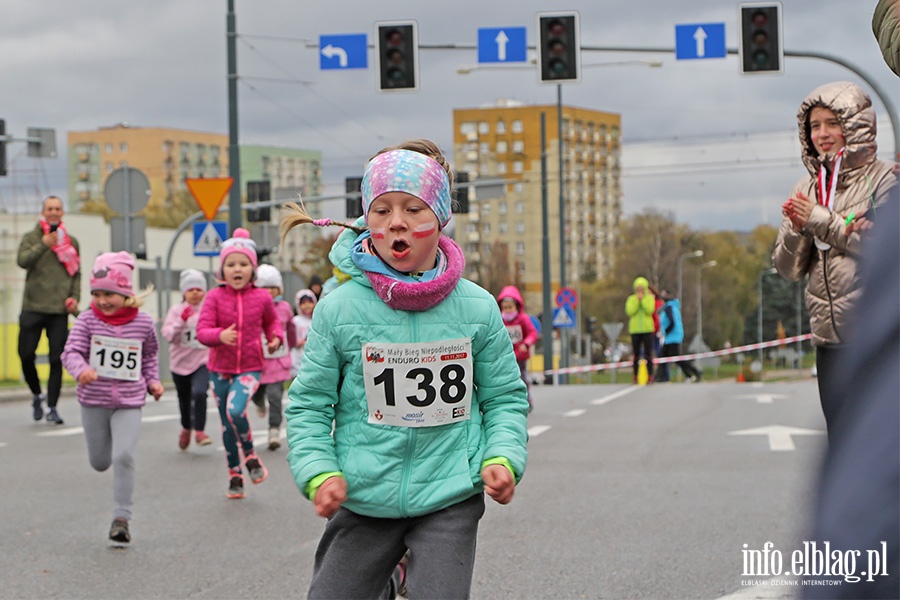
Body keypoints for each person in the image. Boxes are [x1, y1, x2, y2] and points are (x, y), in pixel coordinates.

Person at [279, 139, 529, 599]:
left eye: (414, 208)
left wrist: (501, 458)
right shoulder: (337, 309)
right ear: (365, 222)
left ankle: (406, 571)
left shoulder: (478, 307)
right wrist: (320, 472)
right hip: (363, 495)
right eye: (382, 210)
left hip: (448, 496)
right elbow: (309, 405)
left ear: (439, 218)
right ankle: (391, 573)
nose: (397, 221)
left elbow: (505, 399)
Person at [772, 81, 897, 438]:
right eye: (814, 126)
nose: (822, 134)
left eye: (832, 123)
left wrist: (818, 220)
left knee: (878, 443)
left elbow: (882, 250)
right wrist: (798, 229)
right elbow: (787, 269)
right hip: (828, 341)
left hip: (875, 335)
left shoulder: (885, 180)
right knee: (841, 441)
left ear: (855, 125)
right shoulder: (806, 187)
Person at [60, 252, 164, 543]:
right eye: (97, 294)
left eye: (109, 294)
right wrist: (81, 370)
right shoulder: (87, 320)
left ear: (125, 292)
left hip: (129, 401)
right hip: (94, 400)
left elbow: (150, 356)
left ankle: (122, 519)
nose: (103, 301)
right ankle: (117, 503)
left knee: (124, 455)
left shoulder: (143, 323)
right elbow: (70, 352)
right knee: (100, 461)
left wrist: (153, 381)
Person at [196, 228, 282, 499]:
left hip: (250, 366)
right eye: (231, 264)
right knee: (226, 425)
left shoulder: (262, 297)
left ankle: (250, 455)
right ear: (222, 269)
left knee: (235, 411)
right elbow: (202, 331)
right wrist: (219, 336)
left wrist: (275, 337)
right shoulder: (214, 297)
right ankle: (235, 474)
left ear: (253, 269)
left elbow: (272, 322)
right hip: (219, 369)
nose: (237, 269)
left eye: (243, 264)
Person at [16, 195, 81, 425]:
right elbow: (22, 260)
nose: (54, 212)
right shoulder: (31, 237)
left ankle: (52, 407)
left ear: (62, 213)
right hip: (33, 306)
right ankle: (37, 394)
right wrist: (44, 244)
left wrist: (74, 297)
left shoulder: (71, 242)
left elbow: (76, 273)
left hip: (58, 310)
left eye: (58, 208)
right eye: (50, 208)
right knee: (25, 355)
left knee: (57, 359)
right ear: (43, 212)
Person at [161, 268, 212, 450]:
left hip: (202, 361)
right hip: (179, 364)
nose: (195, 293)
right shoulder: (176, 310)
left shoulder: (208, 309)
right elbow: (168, 335)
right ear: (184, 292)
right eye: (191, 289)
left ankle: (199, 430)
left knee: (199, 393)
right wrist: (181, 321)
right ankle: (186, 428)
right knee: (184, 398)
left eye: (199, 289)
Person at [250, 264, 296, 451]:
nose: (269, 291)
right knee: (256, 393)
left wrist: (289, 345)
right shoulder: (252, 307)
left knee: (276, 396)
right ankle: (259, 402)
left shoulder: (284, 308)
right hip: (257, 360)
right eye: (264, 287)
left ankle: (274, 429)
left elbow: (290, 330)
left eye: (272, 287)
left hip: (277, 359)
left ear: (279, 289)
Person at [497, 285, 538, 413]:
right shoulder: (499, 320)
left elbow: (532, 333)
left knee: (522, 378)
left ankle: (527, 400)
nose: (507, 310)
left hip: (520, 356)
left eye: (510, 307)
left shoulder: (523, 319)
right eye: (505, 308)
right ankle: (508, 402)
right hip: (505, 356)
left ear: (517, 306)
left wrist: (526, 343)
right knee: (505, 380)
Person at [658, 290, 702, 383]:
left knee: (674, 358)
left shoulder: (669, 307)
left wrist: (666, 331)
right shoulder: (673, 306)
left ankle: (695, 372)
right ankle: (662, 376)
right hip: (672, 336)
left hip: (672, 336)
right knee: (664, 356)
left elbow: (672, 321)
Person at [625, 276, 656, 383]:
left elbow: (650, 310)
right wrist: (637, 301)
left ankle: (650, 375)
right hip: (635, 330)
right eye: (638, 289)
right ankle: (635, 375)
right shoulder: (631, 299)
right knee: (636, 354)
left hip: (647, 329)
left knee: (648, 353)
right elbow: (630, 311)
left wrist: (642, 300)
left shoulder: (650, 298)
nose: (640, 291)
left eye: (642, 288)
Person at [289, 288, 316, 379]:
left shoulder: (316, 320)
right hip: (298, 357)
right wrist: (297, 342)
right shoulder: (296, 321)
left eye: (309, 302)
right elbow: (291, 338)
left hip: (313, 356)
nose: (307, 305)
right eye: (303, 303)